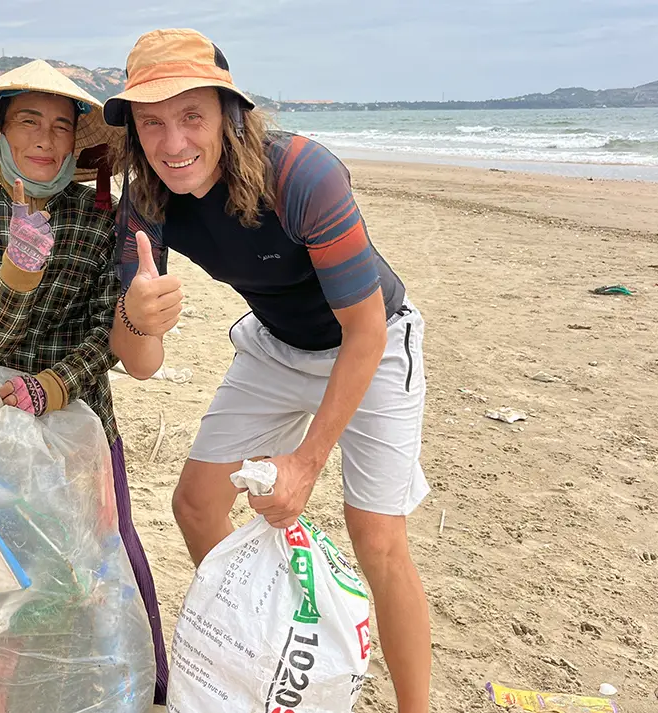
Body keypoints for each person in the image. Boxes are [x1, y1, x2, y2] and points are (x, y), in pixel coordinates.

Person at [104, 28, 431, 713]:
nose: (173, 143)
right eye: (152, 122)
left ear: (229, 114)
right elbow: (142, 366)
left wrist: (307, 462)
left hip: (371, 339)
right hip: (277, 341)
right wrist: (138, 316)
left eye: (192, 116)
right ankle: (261, 647)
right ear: (133, 130)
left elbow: (365, 331)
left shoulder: (304, 176)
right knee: (194, 503)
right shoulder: (144, 202)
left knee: (377, 535)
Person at [0, 59, 169, 703]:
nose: (44, 138)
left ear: (76, 142)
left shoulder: (103, 223)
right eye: (28, 122)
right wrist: (19, 266)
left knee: (102, 556)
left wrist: (53, 388)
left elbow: (109, 336)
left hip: (81, 420)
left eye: (61, 126)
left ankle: (136, 681)